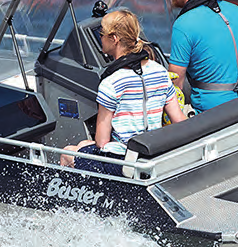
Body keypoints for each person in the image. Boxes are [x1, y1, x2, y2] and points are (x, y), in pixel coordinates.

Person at [61, 9, 185, 173]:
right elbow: (179, 120)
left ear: (114, 39)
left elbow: (102, 142)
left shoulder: (111, 83)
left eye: (102, 33)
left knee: (67, 153)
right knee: (83, 145)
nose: (100, 38)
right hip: (155, 151)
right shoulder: (160, 72)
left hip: (124, 160)